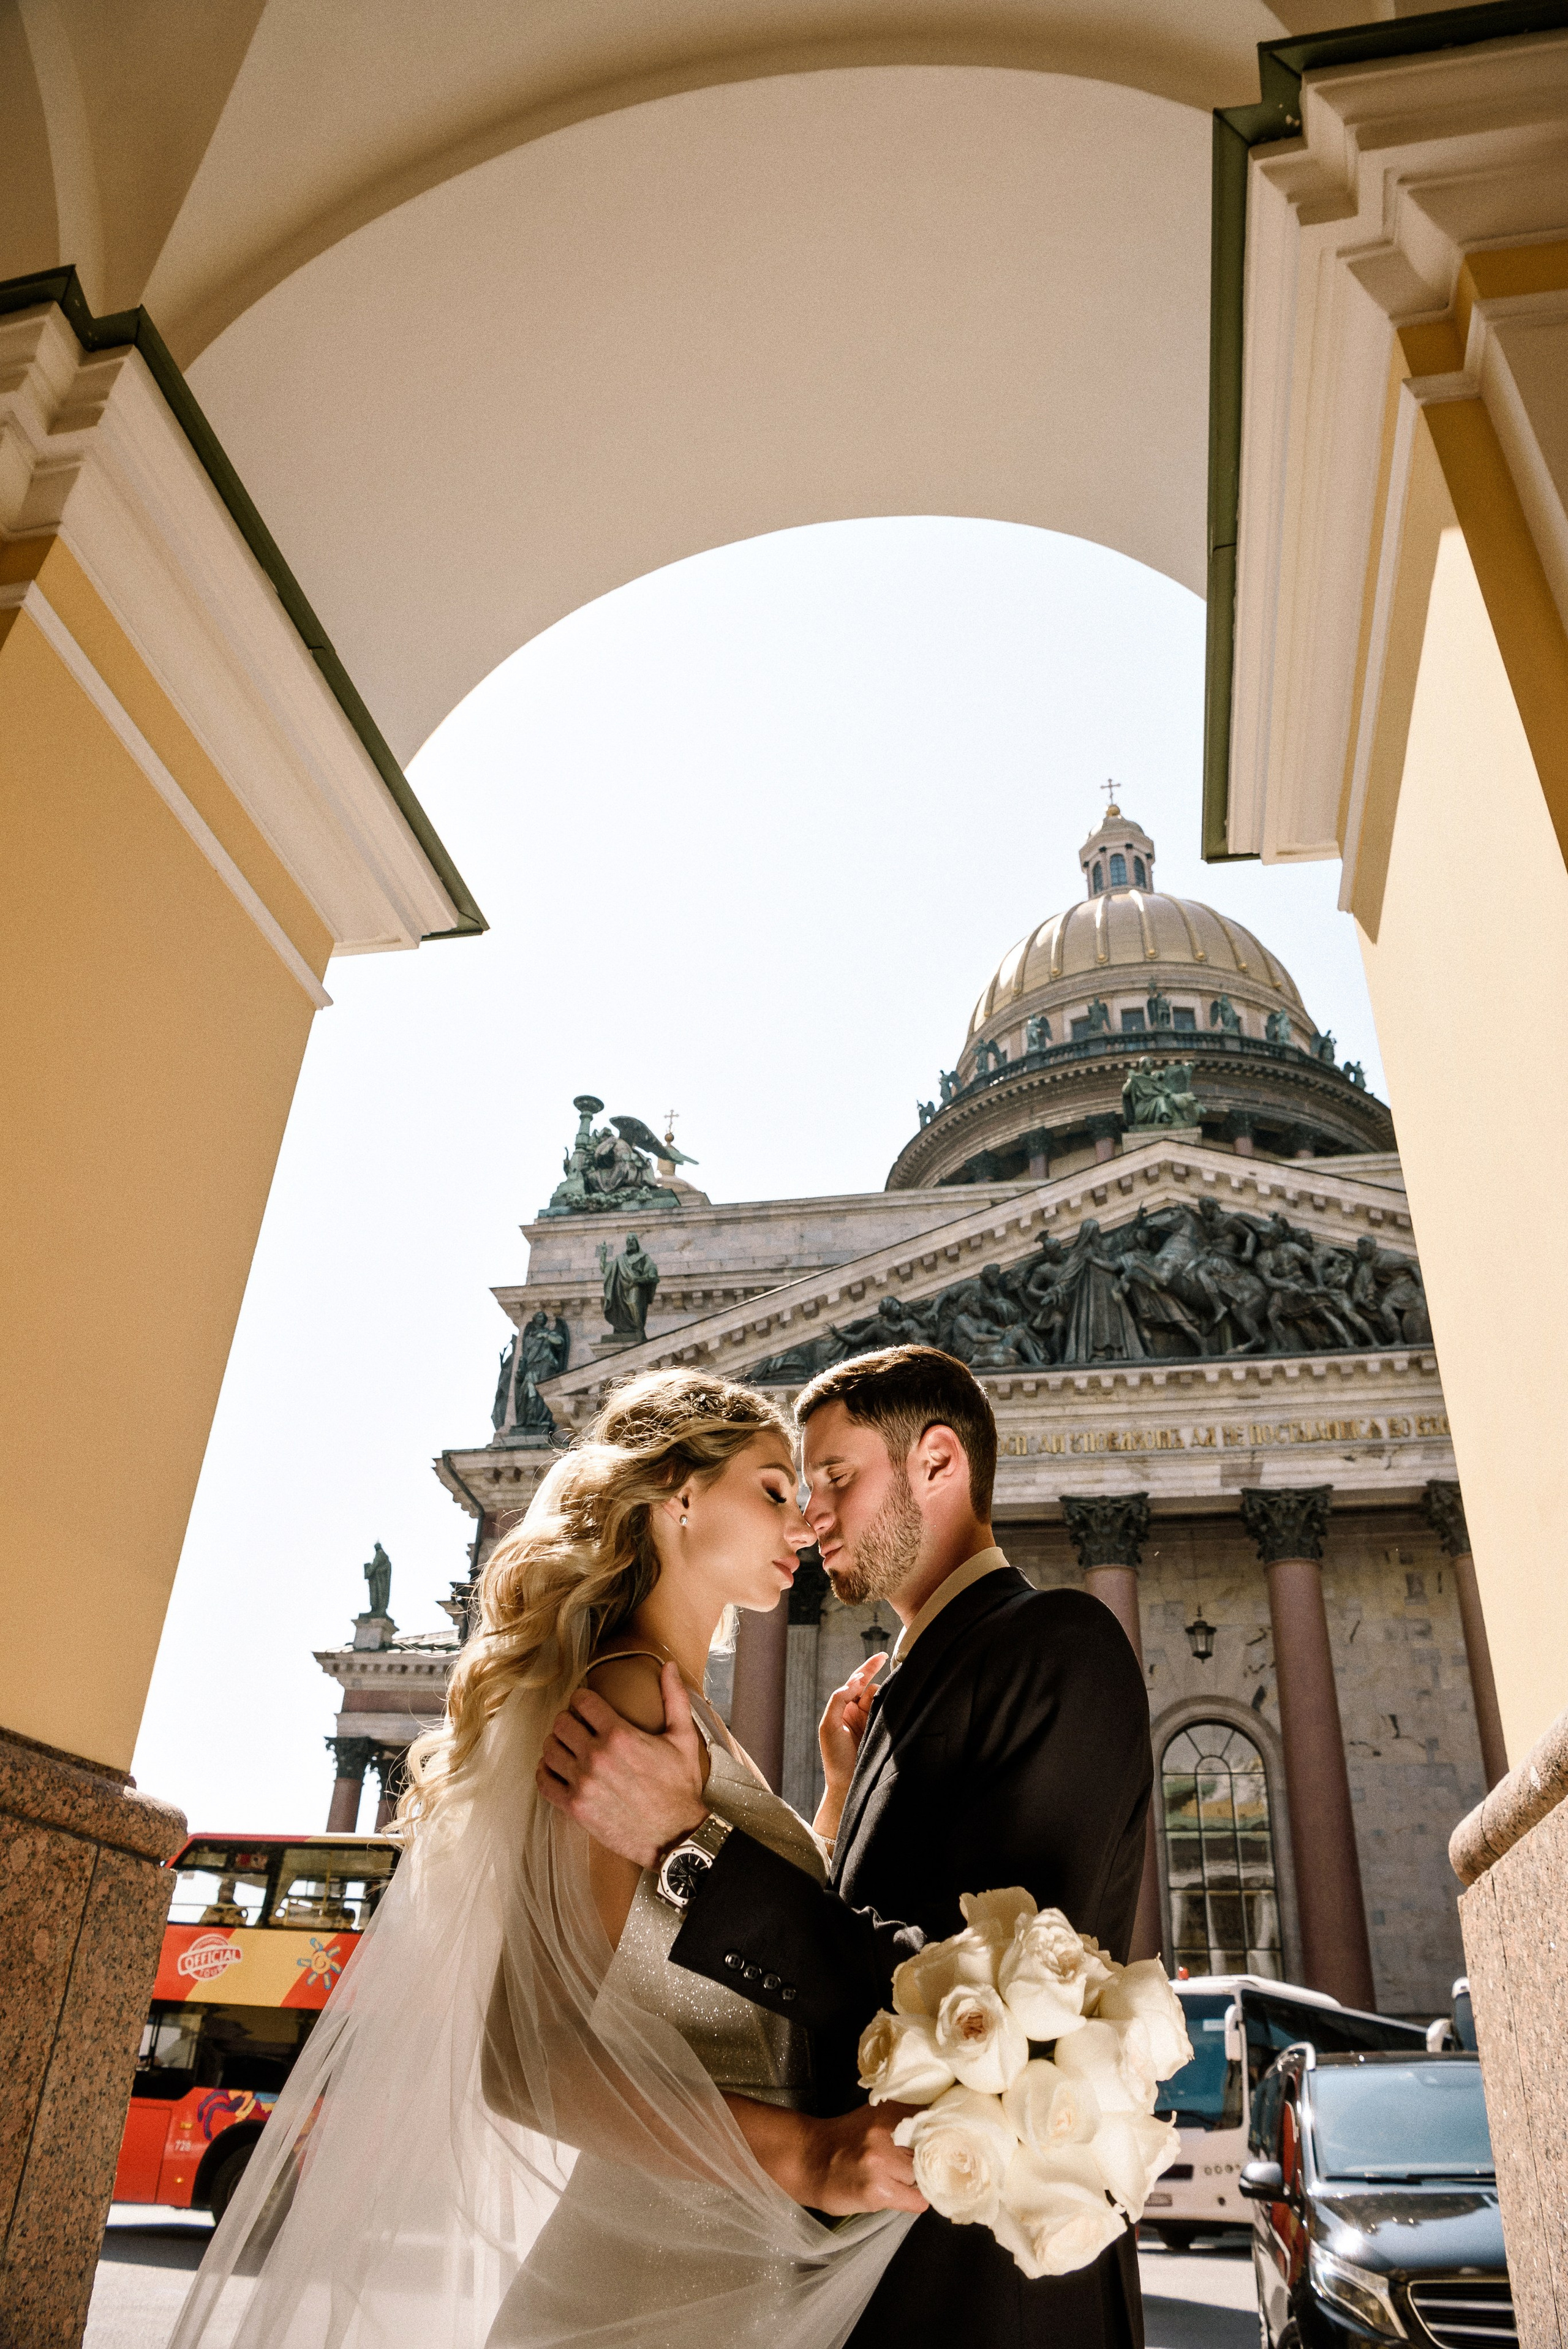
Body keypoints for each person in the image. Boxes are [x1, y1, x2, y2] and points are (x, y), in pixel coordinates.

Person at [168, 1370, 915, 2349]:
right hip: (663, 2279)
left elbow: (706, 1959)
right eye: (775, 1488)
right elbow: (531, 2065)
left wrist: (827, 1796)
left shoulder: (675, 1708)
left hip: (705, 2253)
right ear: (678, 1498)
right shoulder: (626, 1699)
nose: (806, 1520)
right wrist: (813, 2157)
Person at [539, 1344, 1153, 2349]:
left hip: (984, 2288)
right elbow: (855, 1946)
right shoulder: (897, 1700)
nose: (809, 1515)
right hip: (855, 2263)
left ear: (939, 1463)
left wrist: (686, 1842)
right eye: (792, 1484)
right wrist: (831, 1799)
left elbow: (995, 2008)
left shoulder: (1057, 1644)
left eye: (833, 1478)